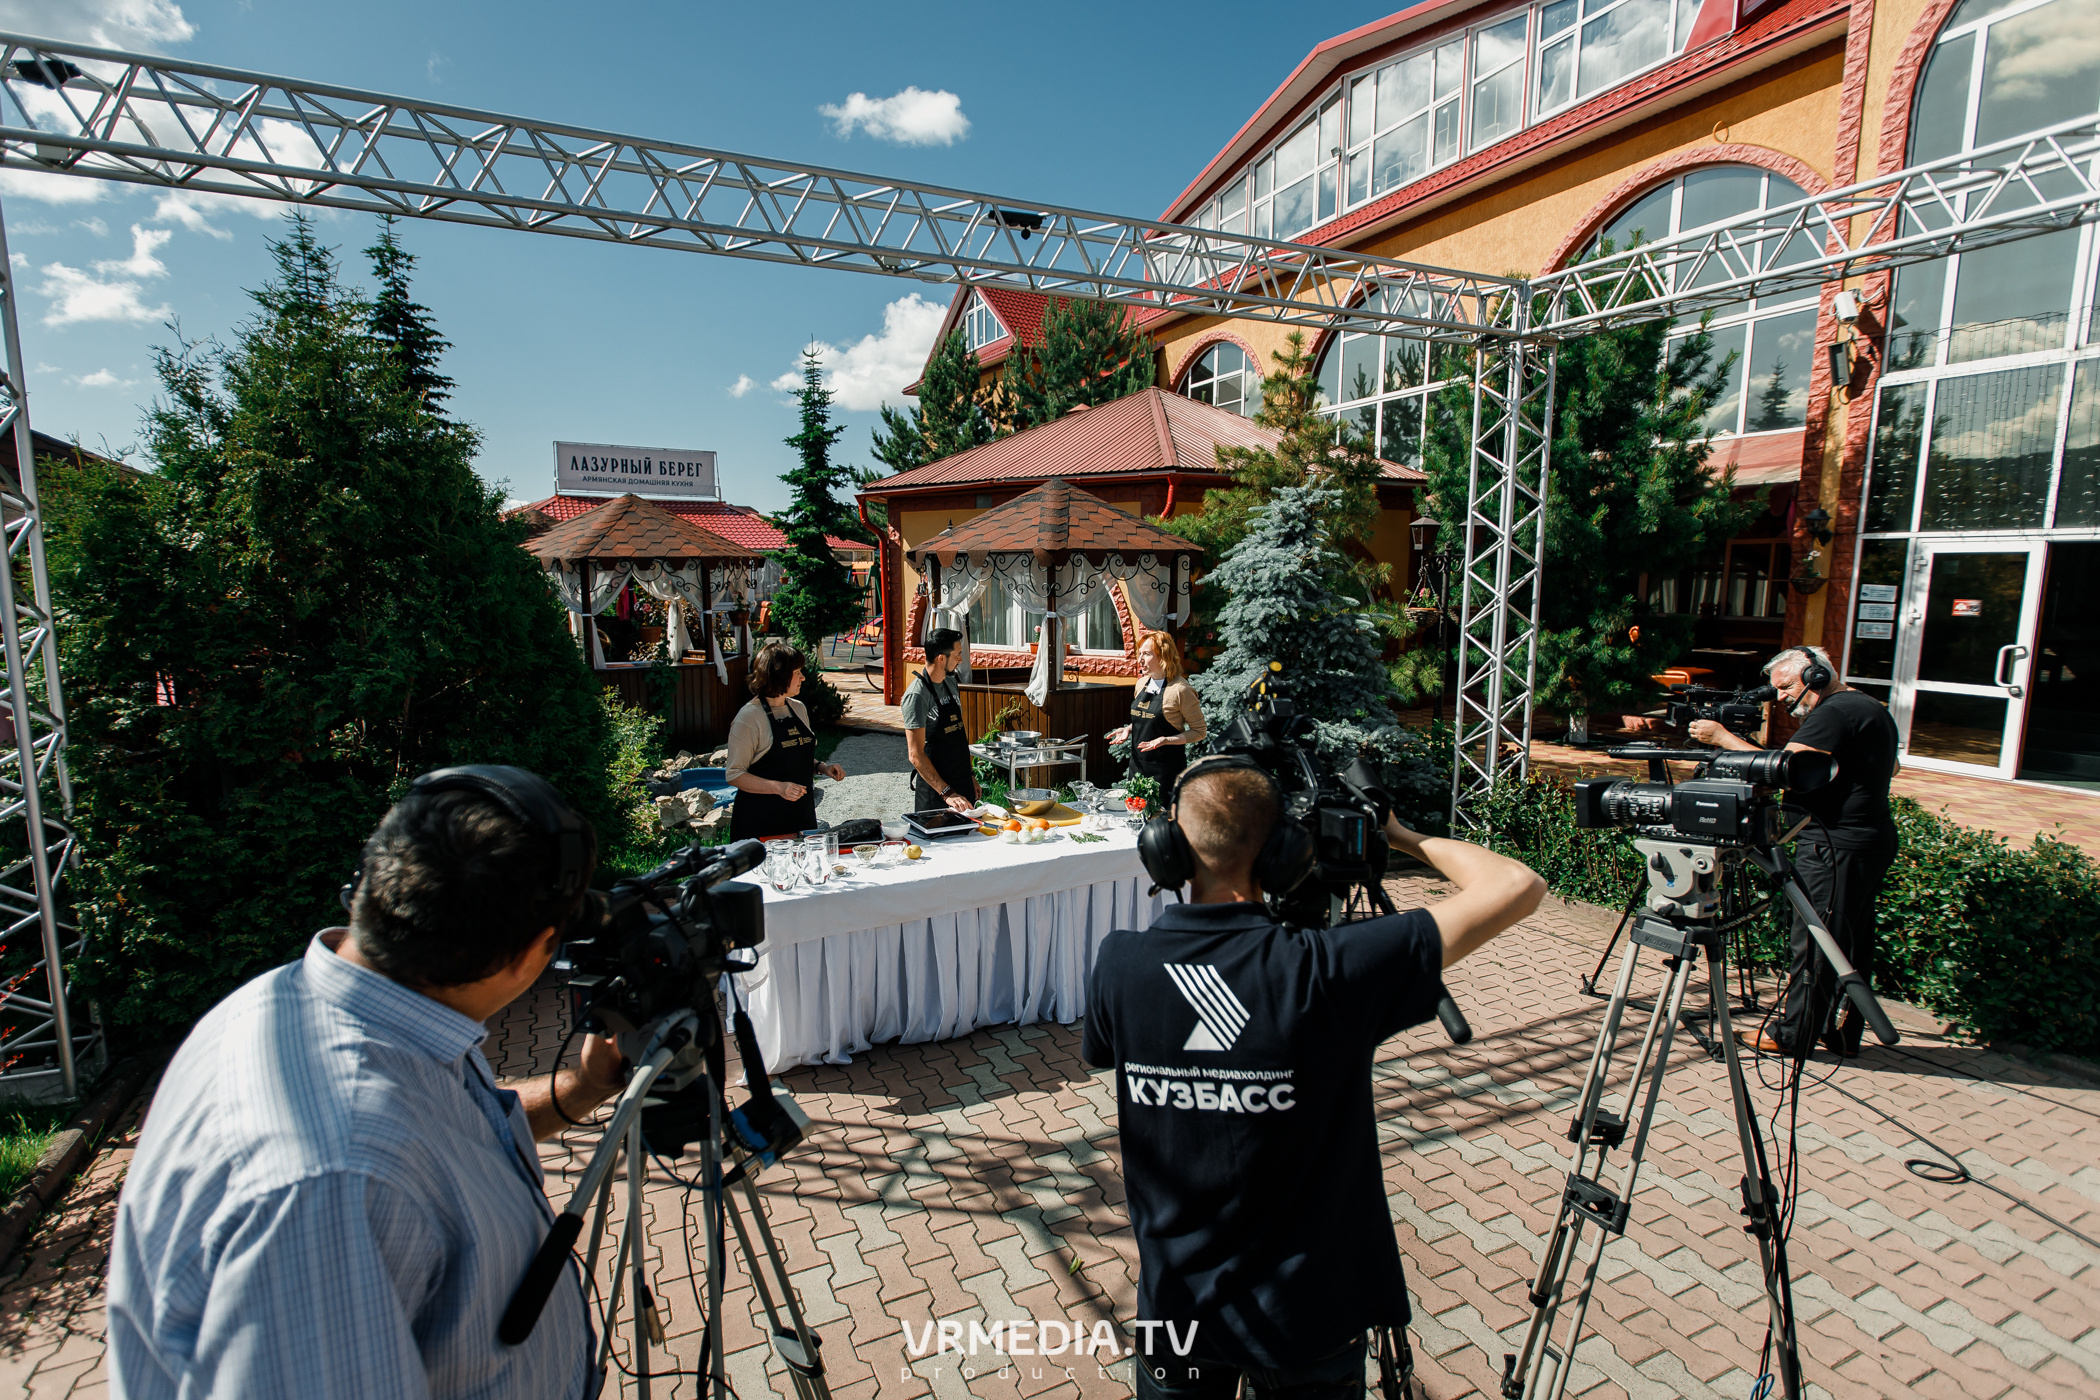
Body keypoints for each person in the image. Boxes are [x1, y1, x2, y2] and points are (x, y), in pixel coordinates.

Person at [108, 767, 630, 1399]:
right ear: (532, 954)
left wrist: (581, 1088)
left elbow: (449, 1130)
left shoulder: (328, 1007)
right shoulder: (333, 1189)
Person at [1084, 758, 1544, 1399]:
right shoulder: (1328, 971)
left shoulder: (1120, 963)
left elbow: (1104, 1055)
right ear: (1283, 853)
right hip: (1310, 1315)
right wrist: (1402, 835)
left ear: (1168, 852)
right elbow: (1518, 883)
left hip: (1178, 1312)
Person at [1689, 644, 1900, 1058]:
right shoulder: (1867, 706)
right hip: (1868, 839)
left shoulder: (1834, 712)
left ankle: (1793, 1036)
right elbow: (1890, 768)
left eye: (1786, 687)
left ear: (1816, 676)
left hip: (1834, 844)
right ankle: (1840, 1034)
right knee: (1850, 941)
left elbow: (1787, 770)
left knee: (1816, 940)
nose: (1782, 698)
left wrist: (1723, 739)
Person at [727, 640, 845, 841]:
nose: (803, 677)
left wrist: (822, 768)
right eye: (797, 672)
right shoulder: (749, 717)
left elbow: (793, 757)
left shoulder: (798, 708)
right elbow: (734, 774)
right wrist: (778, 787)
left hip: (801, 816)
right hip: (761, 823)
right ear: (779, 674)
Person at [1107, 631, 1207, 783]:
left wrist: (1166, 740)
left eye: (1146, 654)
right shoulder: (1141, 683)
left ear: (1163, 656)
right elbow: (1150, 720)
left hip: (1166, 771)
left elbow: (1199, 732)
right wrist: (1129, 729)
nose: (1140, 660)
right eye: (1140, 653)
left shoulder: (1180, 690)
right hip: (1138, 768)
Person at [903, 627, 978, 815]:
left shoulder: (951, 682)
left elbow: (958, 736)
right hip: (936, 793)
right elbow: (915, 755)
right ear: (941, 658)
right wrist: (947, 793)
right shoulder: (917, 696)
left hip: (962, 784)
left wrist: (970, 776)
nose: (960, 659)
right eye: (957, 654)